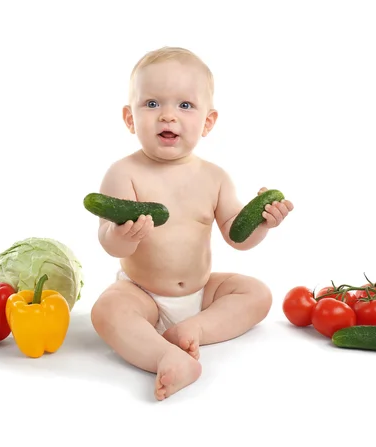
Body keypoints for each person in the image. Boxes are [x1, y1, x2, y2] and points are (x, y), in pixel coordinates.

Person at [90, 46, 294, 400]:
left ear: (208, 122)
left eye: (185, 106)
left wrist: (261, 224)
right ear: (129, 118)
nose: (167, 116)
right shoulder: (123, 173)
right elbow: (108, 241)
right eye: (152, 104)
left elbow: (236, 236)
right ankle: (167, 356)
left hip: (202, 293)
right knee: (107, 310)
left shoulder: (214, 177)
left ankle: (194, 329)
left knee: (257, 294)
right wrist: (123, 235)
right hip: (142, 294)